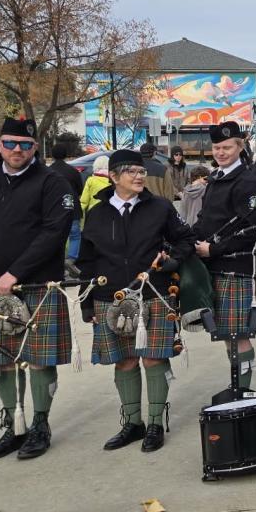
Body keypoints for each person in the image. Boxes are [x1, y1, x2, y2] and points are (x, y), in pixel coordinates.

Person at [0, 116, 76, 460]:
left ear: (35, 147)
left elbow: (54, 233)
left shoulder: (52, 183)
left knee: (38, 359)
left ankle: (39, 425)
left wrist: (14, 273)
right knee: (4, 358)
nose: (17, 149)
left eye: (25, 144)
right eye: (10, 143)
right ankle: (14, 425)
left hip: (37, 284)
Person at [76, 149, 195, 453]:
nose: (139, 176)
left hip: (153, 292)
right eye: (131, 171)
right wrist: (86, 301)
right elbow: (86, 260)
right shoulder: (97, 213)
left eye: (141, 171)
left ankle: (155, 423)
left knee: (154, 357)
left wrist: (172, 260)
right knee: (124, 360)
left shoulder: (160, 207)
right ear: (113, 176)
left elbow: (185, 239)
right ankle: (132, 424)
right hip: (110, 296)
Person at [191, 121, 256, 395]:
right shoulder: (216, 177)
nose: (221, 152)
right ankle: (236, 384)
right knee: (226, 332)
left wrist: (213, 250)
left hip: (235, 266)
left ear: (240, 146)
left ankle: (242, 390)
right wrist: (190, 240)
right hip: (214, 265)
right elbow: (205, 219)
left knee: (238, 334)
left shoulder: (248, 181)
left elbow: (251, 229)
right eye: (217, 148)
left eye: (227, 147)